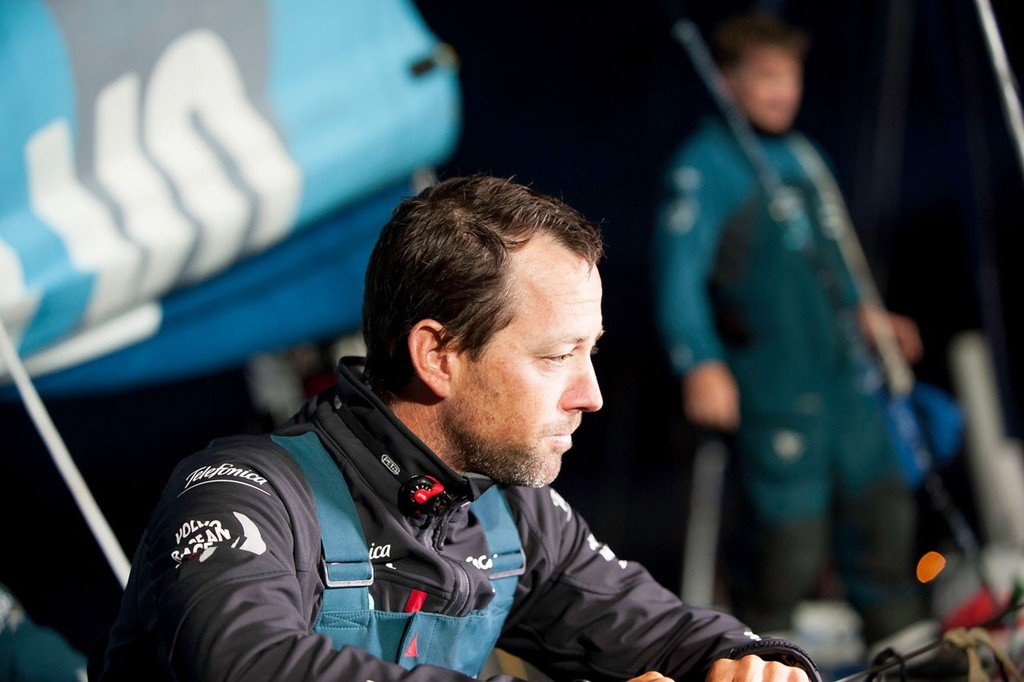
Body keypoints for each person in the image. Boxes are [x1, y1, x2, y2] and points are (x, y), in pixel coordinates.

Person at [91, 175, 820, 681]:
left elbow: (668, 634)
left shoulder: (515, 518)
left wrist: (757, 664)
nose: (590, 395)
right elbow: (244, 664)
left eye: (589, 352)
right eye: (556, 355)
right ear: (438, 355)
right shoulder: (242, 495)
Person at [652, 10, 930, 650]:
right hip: (774, 387)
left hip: (845, 380)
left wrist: (873, 317)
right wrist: (699, 361)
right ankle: (760, 653)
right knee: (789, 539)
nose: (783, 91)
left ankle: (912, 650)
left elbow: (835, 257)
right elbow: (680, 276)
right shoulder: (704, 166)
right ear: (728, 83)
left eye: (791, 77)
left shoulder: (806, 156)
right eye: (767, 76)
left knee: (885, 513)